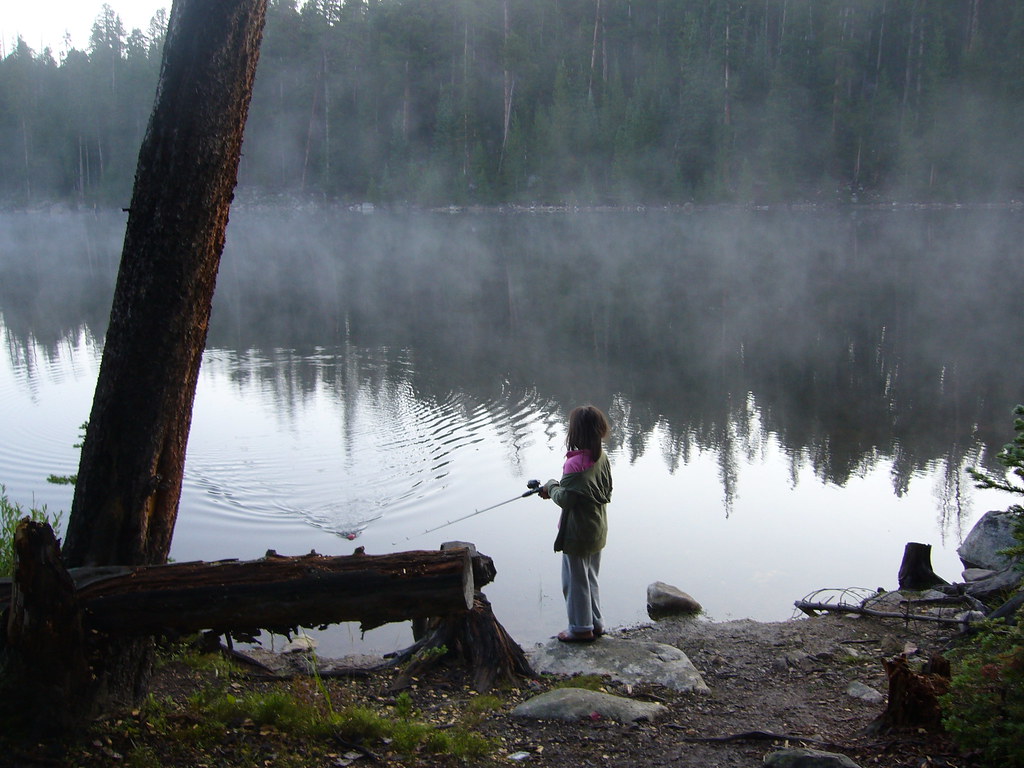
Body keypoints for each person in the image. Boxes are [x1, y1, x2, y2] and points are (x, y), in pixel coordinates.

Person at [538, 405, 613, 642]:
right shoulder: (601, 457)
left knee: (574, 582)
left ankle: (580, 629)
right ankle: (596, 623)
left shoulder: (574, 464)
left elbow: (566, 499)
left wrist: (551, 487)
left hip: (578, 533)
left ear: (575, 433)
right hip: (597, 528)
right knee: (590, 578)